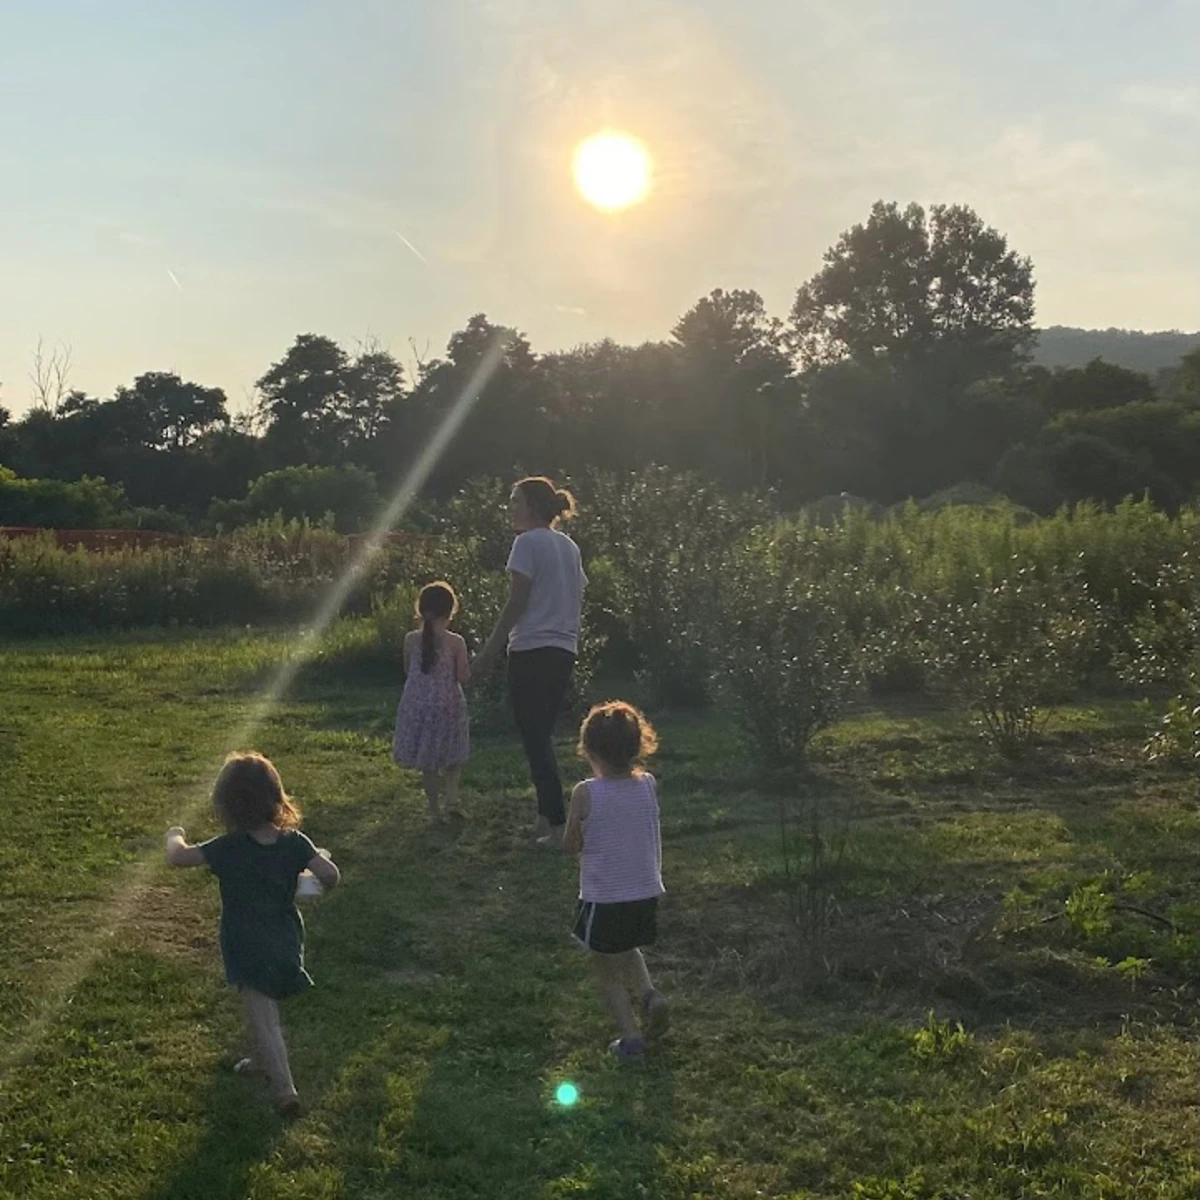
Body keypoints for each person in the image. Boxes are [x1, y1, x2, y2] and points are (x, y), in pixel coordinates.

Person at [164, 752, 340, 1117]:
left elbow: (179, 858)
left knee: (263, 1017)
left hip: (246, 943)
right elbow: (331, 874)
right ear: (277, 798)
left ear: (226, 805)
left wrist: (174, 836)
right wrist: (309, 884)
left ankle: (284, 1088)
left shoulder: (228, 849)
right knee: (264, 1008)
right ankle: (263, 1062)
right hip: (287, 940)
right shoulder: (294, 842)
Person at [473, 476, 586, 847]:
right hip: (563, 650)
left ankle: (556, 823)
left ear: (533, 507)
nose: (509, 508)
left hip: (531, 649)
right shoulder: (569, 547)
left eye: (514, 500)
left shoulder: (525, 543)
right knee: (541, 733)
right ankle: (544, 817)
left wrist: (489, 651)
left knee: (535, 737)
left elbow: (517, 602)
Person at [564, 701, 669, 1061]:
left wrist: (578, 835)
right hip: (644, 892)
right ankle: (650, 995)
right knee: (628, 948)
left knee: (605, 965)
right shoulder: (648, 785)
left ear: (588, 750)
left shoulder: (585, 792)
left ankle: (631, 1038)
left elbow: (570, 844)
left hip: (603, 897)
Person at [392, 580, 471, 821]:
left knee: (428, 762)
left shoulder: (410, 640)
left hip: (418, 705)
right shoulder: (456, 642)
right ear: (451, 610)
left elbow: (409, 670)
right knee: (453, 756)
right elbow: (462, 677)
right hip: (449, 706)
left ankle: (434, 809)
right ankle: (453, 800)